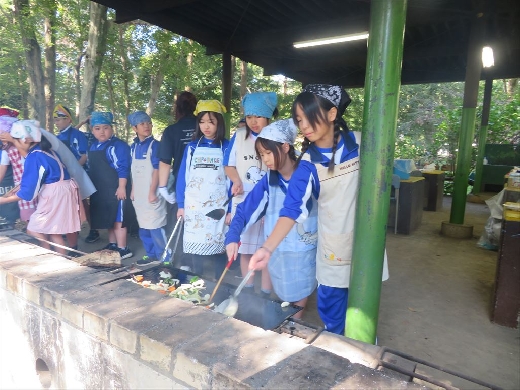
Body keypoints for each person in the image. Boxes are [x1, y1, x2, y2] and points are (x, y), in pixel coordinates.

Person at [249, 84, 389, 335]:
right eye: (299, 120)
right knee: (333, 311)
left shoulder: (362, 142)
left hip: (368, 242)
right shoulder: (307, 164)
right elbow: (291, 209)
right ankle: (340, 355)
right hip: (333, 247)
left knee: (364, 312)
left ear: (332, 114)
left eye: (308, 117)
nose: (303, 126)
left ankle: (367, 355)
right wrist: (267, 248)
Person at [225, 119, 318, 313]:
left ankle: (295, 323)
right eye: (261, 154)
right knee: (284, 296)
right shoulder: (269, 178)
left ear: (285, 147)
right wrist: (232, 236)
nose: (265, 159)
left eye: (268, 153)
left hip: (302, 250)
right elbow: (245, 209)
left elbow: (294, 209)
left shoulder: (307, 170)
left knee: (298, 298)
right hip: (276, 251)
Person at [0, 120, 82, 254]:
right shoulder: (47, 151)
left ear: (26, 139)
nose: (15, 145)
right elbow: (42, 175)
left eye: (15, 141)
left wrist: (3, 200)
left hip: (55, 194)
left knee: (33, 229)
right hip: (63, 190)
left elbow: (28, 194)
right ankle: (61, 259)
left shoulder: (35, 157)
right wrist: (20, 186)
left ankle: (48, 255)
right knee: (54, 231)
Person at [224, 91, 278, 295]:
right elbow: (228, 165)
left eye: (258, 116)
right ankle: (246, 290)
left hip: (269, 202)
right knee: (245, 248)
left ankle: (264, 293)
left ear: (268, 116)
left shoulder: (276, 138)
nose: (253, 122)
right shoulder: (238, 137)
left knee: (266, 249)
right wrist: (236, 180)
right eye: (249, 117)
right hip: (243, 197)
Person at [176, 100, 230, 279]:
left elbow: (231, 179)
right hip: (194, 206)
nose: (206, 126)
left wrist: (232, 207)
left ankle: (219, 282)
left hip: (218, 205)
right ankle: (197, 280)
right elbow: (183, 177)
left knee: (218, 244)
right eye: (202, 122)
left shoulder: (227, 147)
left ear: (219, 123)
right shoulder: (192, 147)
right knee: (195, 243)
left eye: (211, 122)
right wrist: (181, 205)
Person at [87, 112, 133, 259]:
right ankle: (112, 244)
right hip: (100, 189)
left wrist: (121, 187)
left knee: (119, 219)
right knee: (108, 218)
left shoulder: (118, 146)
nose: (102, 131)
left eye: (105, 127)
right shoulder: (94, 146)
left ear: (111, 128)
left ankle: (123, 248)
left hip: (116, 188)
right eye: (97, 128)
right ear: (92, 130)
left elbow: (123, 168)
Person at [128, 111, 171, 265]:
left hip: (152, 194)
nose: (146, 126)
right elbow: (134, 172)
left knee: (156, 228)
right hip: (139, 195)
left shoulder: (156, 146)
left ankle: (165, 258)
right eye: (142, 124)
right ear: (134, 128)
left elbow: (158, 170)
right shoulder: (133, 148)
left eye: (148, 122)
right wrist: (133, 190)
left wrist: (152, 192)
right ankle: (151, 254)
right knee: (144, 228)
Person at [53, 104, 90, 250]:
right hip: (63, 176)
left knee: (83, 202)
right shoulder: (56, 137)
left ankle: (93, 229)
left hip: (77, 173)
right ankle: (69, 230)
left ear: (68, 119)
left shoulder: (77, 135)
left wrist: (74, 171)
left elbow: (84, 155)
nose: (56, 122)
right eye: (55, 120)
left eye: (59, 119)